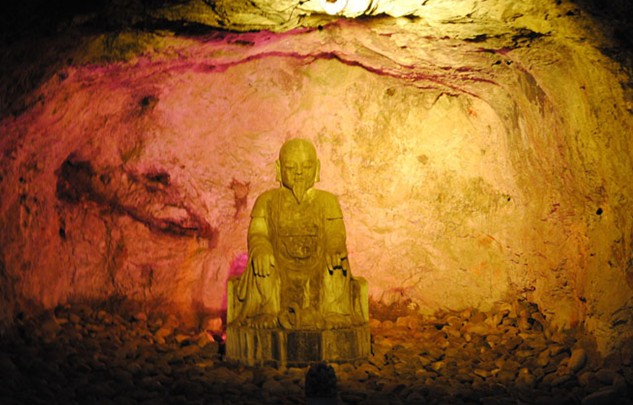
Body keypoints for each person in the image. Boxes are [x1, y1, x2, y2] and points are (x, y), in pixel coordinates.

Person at [233, 138, 363, 330]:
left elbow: (336, 232)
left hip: (317, 263)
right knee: (263, 262)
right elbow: (257, 233)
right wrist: (261, 248)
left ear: (317, 169)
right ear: (279, 169)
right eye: (291, 167)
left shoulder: (328, 201)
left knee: (335, 263)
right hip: (279, 263)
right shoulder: (266, 201)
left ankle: (335, 312)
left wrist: (335, 247)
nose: (299, 173)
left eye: (307, 167)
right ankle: (265, 311)